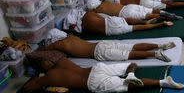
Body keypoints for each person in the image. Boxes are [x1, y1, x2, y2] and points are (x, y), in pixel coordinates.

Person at [23, 59, 184, 93]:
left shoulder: (51, 77)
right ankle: (130, 74)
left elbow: (27, 89)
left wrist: (37, 82)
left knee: (127, 85)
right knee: (132, 65)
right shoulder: (62, 62)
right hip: (97, 69)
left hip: (93, 82)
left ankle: (163, 82)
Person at [41, 28, 175, 62]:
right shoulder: (70, 36)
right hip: (101, 44)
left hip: (98, 52)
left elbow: (44, 50)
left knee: (127, 55)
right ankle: (160, 45)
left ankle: (155, 54)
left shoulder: (60, 45)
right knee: (131, 46)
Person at [63, 8, 173, 36]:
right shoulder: (91, 14)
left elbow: (135, 25)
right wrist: (146, 23)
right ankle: (161, 14)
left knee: (145, 13)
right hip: (114, 20)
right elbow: (132, 24)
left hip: (116, 17)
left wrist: (158, 24)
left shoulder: (91, 14)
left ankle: (161, 15)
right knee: (145, 12)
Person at [86, 0, 182, 21]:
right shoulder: (106, 1)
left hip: (124, 13)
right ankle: (164, 12)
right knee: (151, 10)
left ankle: (167, 17)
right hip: (128, 6)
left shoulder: (98, 10)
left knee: (147, 16)